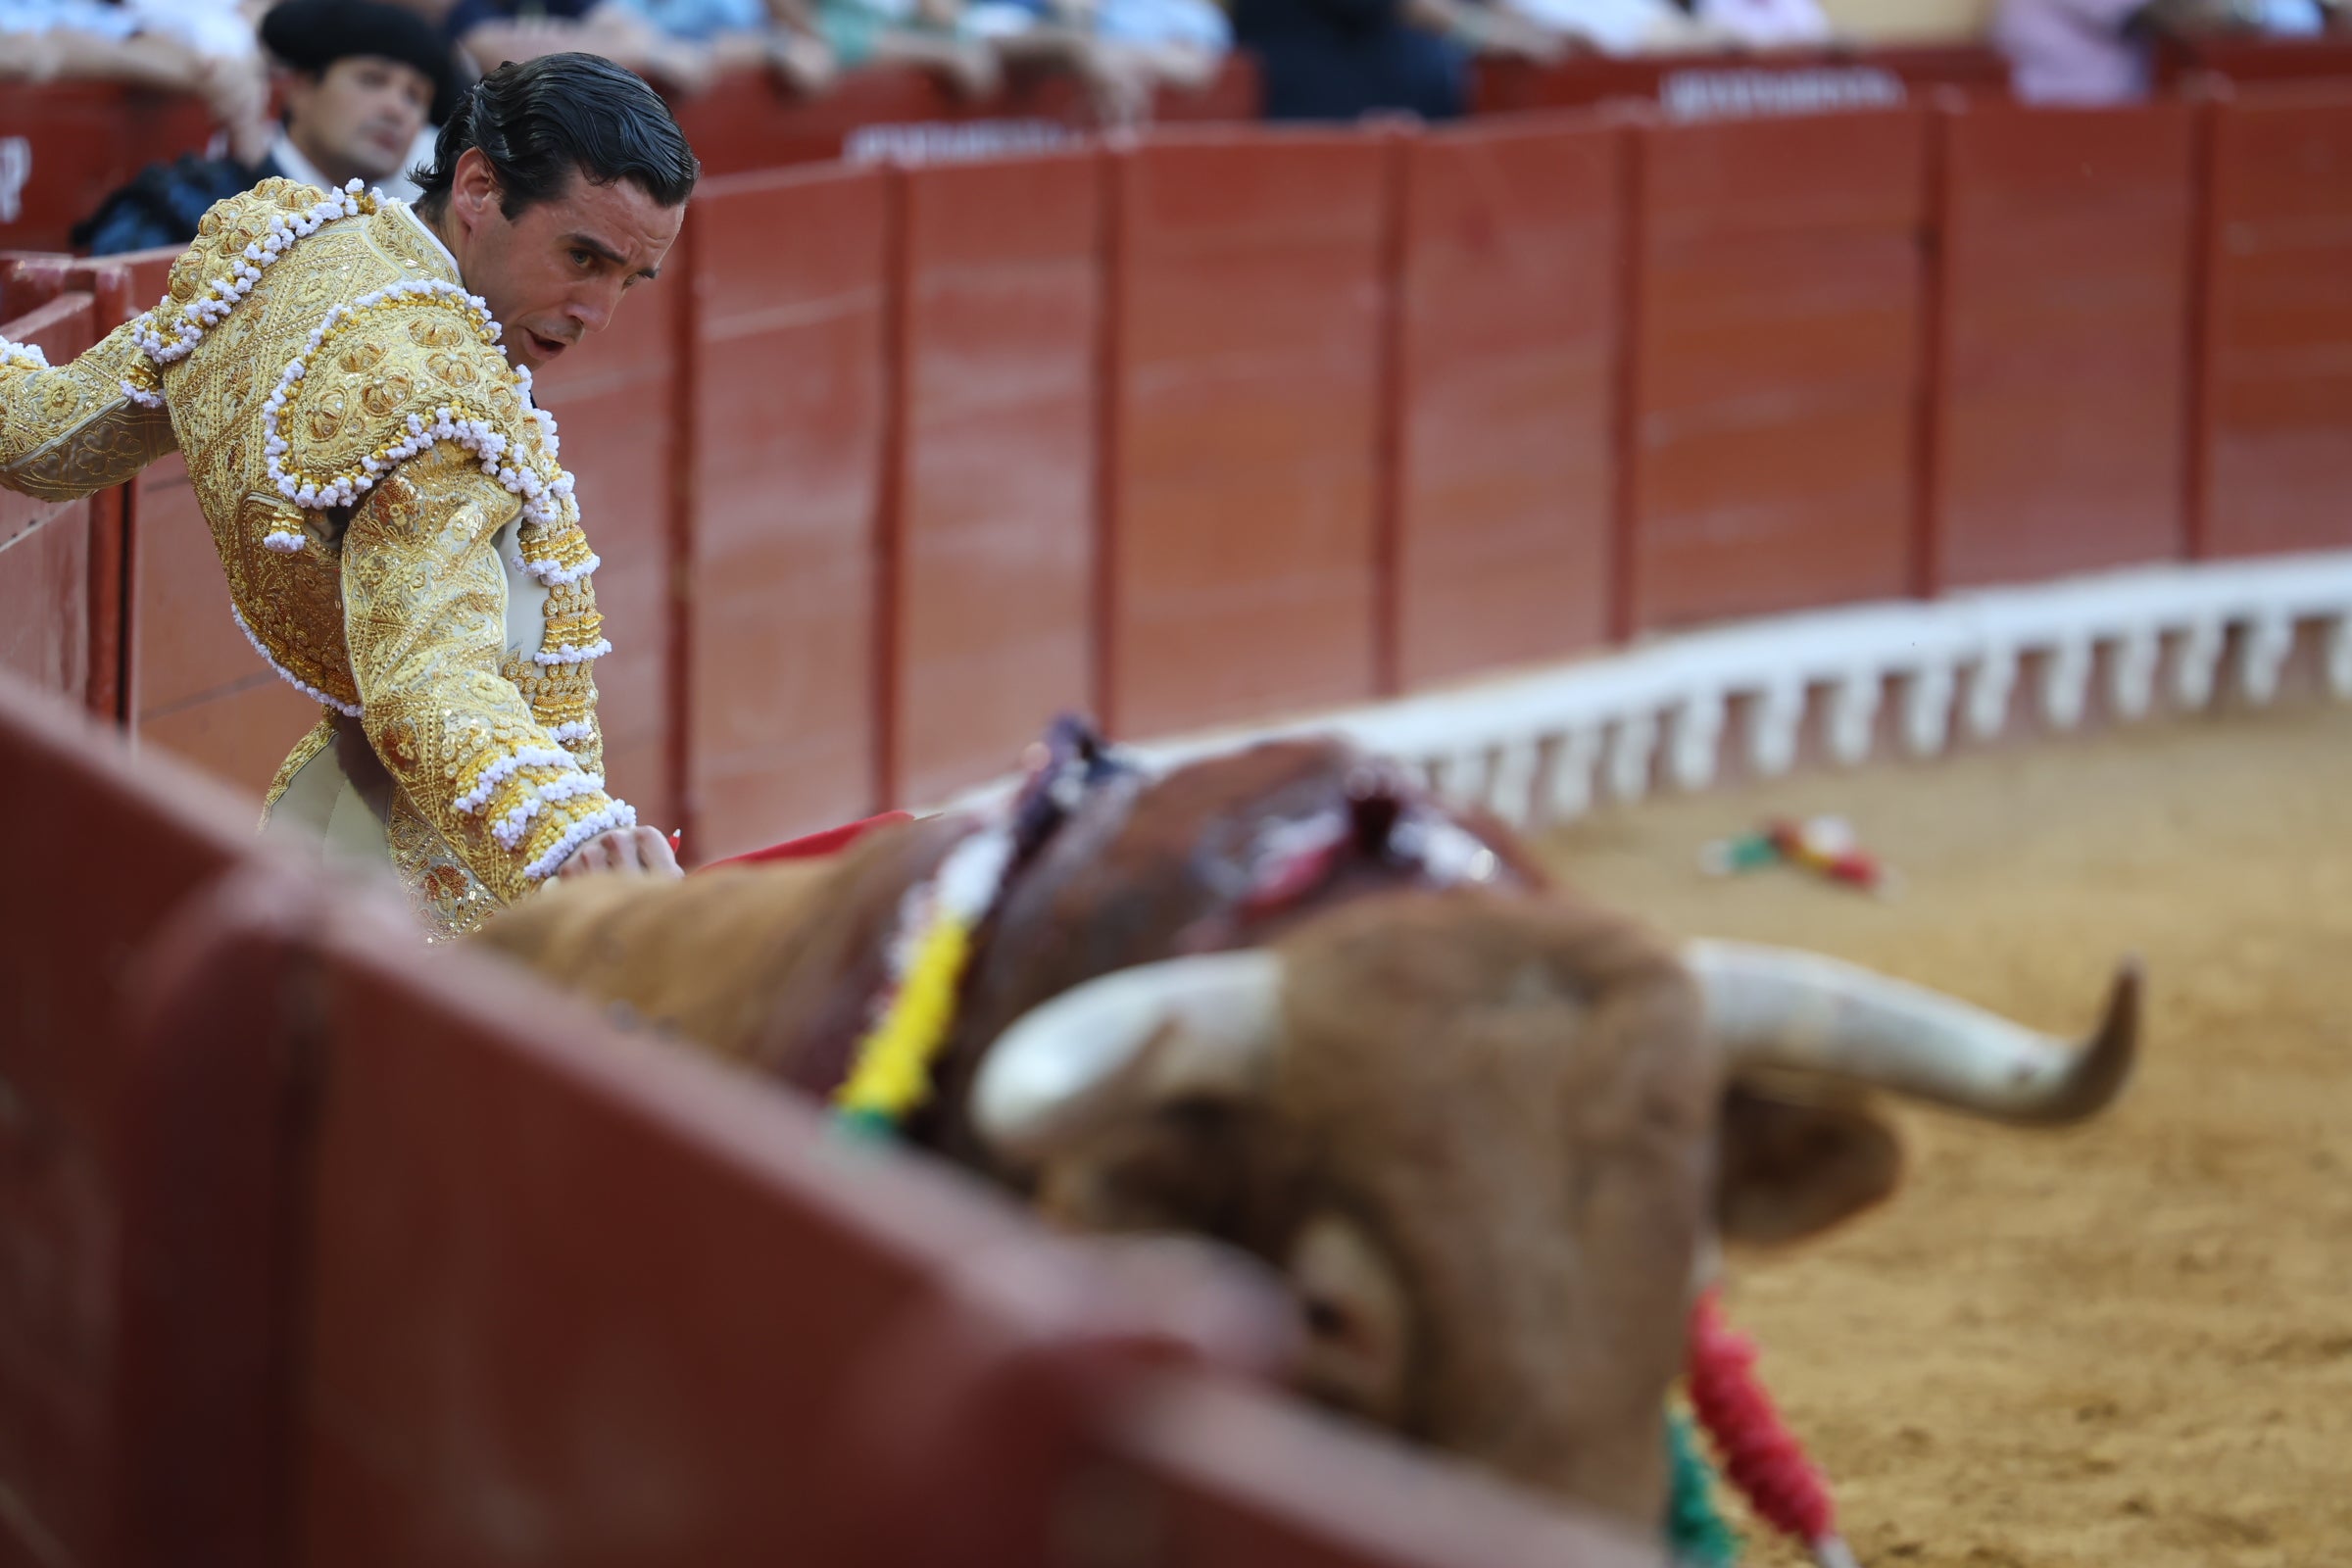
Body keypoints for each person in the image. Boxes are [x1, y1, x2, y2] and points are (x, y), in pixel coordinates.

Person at [1, 52, 691, 936]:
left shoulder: (286, 245)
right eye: (582, 257)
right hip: (418, 903)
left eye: (628, 279)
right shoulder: (443, 410)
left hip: (332, 841)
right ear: (478, 188)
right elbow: (427, 684)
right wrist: (575, 847)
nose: (598, 313)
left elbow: (41, 435)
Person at [75, 0, 460, 256]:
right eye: (371, 80)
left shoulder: (407, 239)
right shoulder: (189, 203)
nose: (397, 109)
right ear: (301, 88)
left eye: (415, 97)